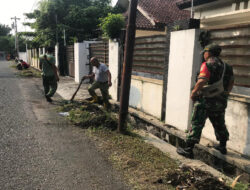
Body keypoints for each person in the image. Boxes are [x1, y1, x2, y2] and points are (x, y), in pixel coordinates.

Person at [177, 44, 234, 158]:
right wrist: (225, 95)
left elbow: (202, 80)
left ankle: (188, 149)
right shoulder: (227, 66)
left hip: (205, 100)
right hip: (220, 101)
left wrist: (193, 93)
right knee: (219, 122)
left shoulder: (207, 64)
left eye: (205, 52)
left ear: (209, 53)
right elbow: (231, 82)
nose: (203, 54)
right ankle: (222, 146)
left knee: (197, 122)